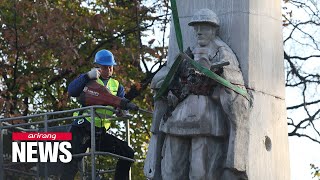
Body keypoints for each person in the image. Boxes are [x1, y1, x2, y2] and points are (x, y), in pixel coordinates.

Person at [145, 9, 249, 180]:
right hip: (177, 118)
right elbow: (162, 79)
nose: (199, 31)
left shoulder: (222, 52)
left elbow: (235, 89)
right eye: (196, 27)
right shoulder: (188, 52)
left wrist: (216, 74)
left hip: (207, 120)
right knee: (171, 171)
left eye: (204, 27)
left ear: (214, 30)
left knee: (201, 173)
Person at [61, 49, 135, 180]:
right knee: (71, 163)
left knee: (127, 153)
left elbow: (120, 104)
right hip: (81, 128)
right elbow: (72, 90)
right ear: (97, 67)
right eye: (105, 67)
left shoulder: (117, 86)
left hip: (99, 132)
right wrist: (87, 76)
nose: (109, 70)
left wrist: (121, 112)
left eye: (111, 67)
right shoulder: (89, 79)